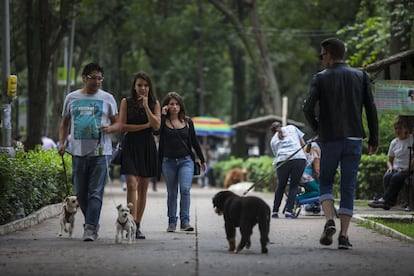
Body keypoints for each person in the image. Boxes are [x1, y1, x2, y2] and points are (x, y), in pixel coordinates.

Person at [303, 38, 378, 249]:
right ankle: (344, 236)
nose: (321, 59)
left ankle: (329, 220)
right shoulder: (360, 75)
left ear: (328, 54)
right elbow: (370, 109)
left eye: (322, 55)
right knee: (348, 185)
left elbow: (307, 108)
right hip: (354, 139)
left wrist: (318, 130)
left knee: (325, 181)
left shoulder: (320, 78)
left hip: (330, 139)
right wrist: (374, 138)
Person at [58, 62, 119, 241]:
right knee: (81, 193)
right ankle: (92, 222)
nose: (98, 82)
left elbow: (118, 123)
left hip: (101, 153)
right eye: (94, 78)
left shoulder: (108, 98)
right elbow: (64, 123)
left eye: (100, 78)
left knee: (95, 192)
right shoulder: (71, 97)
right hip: (78, 153)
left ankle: (90, 227)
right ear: (84, 78)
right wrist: (62, 143)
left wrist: (110, 128)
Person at [118, 71, 161, 239]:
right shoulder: (126, 102)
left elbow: (156, 126)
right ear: (134, 87)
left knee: (143, 186)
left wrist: (146, 107)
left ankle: (137, 223)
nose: (142, 88)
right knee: (131, 184)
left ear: (149, 87)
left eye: (145, 85)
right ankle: (129, 224)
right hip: (130, 145)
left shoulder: (154, 103)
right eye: (139, 85)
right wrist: (144, 126)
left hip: (147, 146)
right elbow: (122, 126)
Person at [157, 92, 206, 232]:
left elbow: (195, 142)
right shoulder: (163, 121)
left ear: (181, 106)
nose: (174, 107)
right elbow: (156, 133)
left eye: (177, 104)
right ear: (166, 105)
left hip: (186, 161)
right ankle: (172, 222)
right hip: (168, 162)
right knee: (172, 193)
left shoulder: (188, 122)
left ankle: (185, 221)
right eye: (171, 104)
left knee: (185, 189)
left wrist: (202, 160)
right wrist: (161, 115)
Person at [368, 118, 413, 210]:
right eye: (396, 128)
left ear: (405, 129)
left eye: (400, 128)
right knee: (387, 176)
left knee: (396, 177)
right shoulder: (394, 142)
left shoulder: (411, 140)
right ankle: (388, 201)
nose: (397, 131)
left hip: (408, 168)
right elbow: (389, 160)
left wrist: (408, 168)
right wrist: (390, 167)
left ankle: (385, 200)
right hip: (396, 168)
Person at [270, 122, 307, 219]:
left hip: (282, 161)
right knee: (294, 186)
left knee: (281, 186)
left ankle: (274, 211)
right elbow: (303, 144)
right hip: (298, 158)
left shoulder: (273, 139)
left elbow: (276, 154)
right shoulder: (292, 127)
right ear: (282, 125)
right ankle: (289, 211)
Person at [297, 142, 321, 214]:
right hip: (305, 177)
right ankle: (296, 199)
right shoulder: (315, 154)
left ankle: (311, 206)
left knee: (311, 190)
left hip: (297, 176)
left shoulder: (303, 153)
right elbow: (317, 171)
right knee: (320, 191)